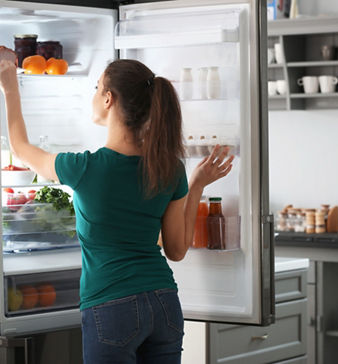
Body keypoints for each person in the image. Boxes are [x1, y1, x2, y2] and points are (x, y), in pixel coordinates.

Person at [0, 58, 234, 364]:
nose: (94, 94)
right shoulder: (169, 168)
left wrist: (9, 83)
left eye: (97, 87)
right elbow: (176, 250)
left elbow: (19, 148)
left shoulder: (84, 167)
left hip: (111, 306)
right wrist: (197, 185)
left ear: (109, 98)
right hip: (164, 301)